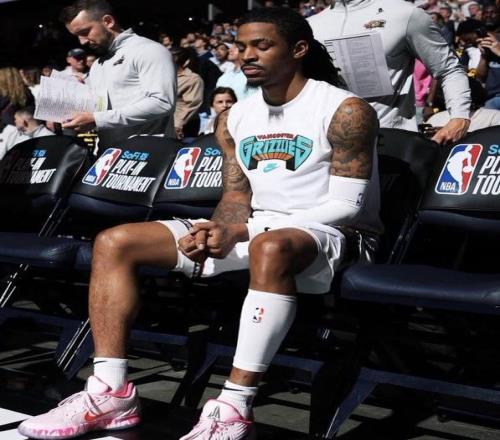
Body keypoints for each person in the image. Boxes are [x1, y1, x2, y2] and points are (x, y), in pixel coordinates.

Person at [18, 7, 381, 440]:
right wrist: (218, 228)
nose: (247, 55)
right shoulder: (235, 116)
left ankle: (234, 407)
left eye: (262, 46)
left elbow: (347, 207)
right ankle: (111, 391)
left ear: (299, 49)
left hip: (335, 235)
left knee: (270, 246)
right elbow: (236, 198)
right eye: (241, 46)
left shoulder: (345, 109)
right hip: (258, 228)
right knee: (116, 241)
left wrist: (242, 231)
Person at [308, 0, 472, 144]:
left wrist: (459, 117)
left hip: (390, 142)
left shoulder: (404, 14)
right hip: (326, 142)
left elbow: (449, 69)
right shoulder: (312, 24)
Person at [58, 0, 176, 150]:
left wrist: (97, 119)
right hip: (107, 155)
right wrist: (80, 114)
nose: (82, 42)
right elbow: (102, 114)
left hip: (149, 154)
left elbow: (162, 103)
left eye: (85, 32)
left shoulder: (149, 50)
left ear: (108, 21)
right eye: (77, 36)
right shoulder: (97, 64)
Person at [171, 47, 204, 139]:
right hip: (165, 124)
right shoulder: (165, 76)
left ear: (186, 62)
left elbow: (192, 105)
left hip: (184, 126)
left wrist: (178, 125)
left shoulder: (192, 79)